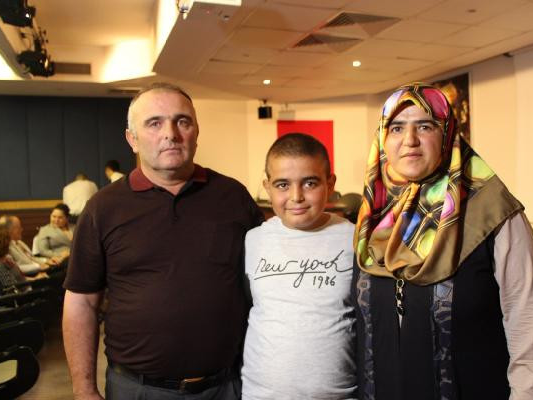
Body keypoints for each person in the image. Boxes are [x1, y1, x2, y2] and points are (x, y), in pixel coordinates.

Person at [62, 82, 264, 400]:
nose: (170, 133)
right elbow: (81, 303)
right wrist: (83, 389)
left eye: (182, 121)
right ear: (132, 139)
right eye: (154, 123)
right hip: (136, 389)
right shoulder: (103, 208)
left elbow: (265, 286)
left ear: (196, 131)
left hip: (226, 386)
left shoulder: (233, 197)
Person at [352, 83, 533, 399]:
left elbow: (529, 328)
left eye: (425, 126)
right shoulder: (372, 220)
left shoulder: (495, 216)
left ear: (447, 134)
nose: (409, 140)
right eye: (397, 128)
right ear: (382, 138)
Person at [242, 133, 356, 399]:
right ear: (267, 187)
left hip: (338, 395)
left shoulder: (354, 239)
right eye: (282, 184)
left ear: (330, 183)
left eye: (310, 183)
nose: (296, 196)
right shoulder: (253, 240)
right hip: (262, 395)